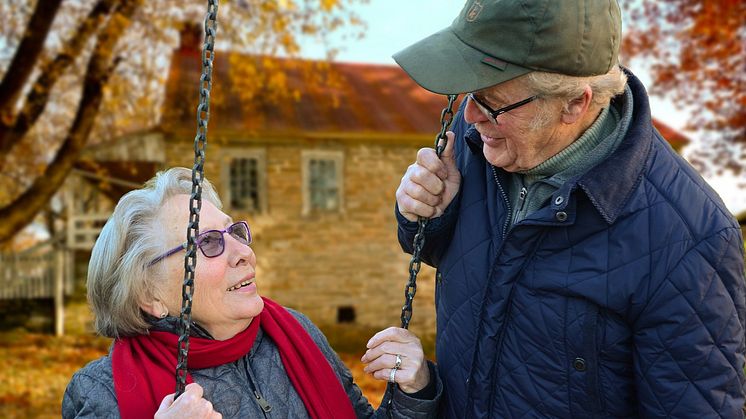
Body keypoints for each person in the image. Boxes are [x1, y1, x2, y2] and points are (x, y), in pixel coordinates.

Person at [393, 0, 746, 417]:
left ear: (574, 104)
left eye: (492, 102)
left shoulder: (688, 237)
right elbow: (451, 256)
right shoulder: (478, 137)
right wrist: (427, 215)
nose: (470, 115)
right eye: (470, 93)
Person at [63, 167, 441, 418]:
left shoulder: (294, 332)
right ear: (150, 296)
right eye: (208, 243)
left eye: (235, 232)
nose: (244, 253)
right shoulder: (101, 393)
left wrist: (413, 391)